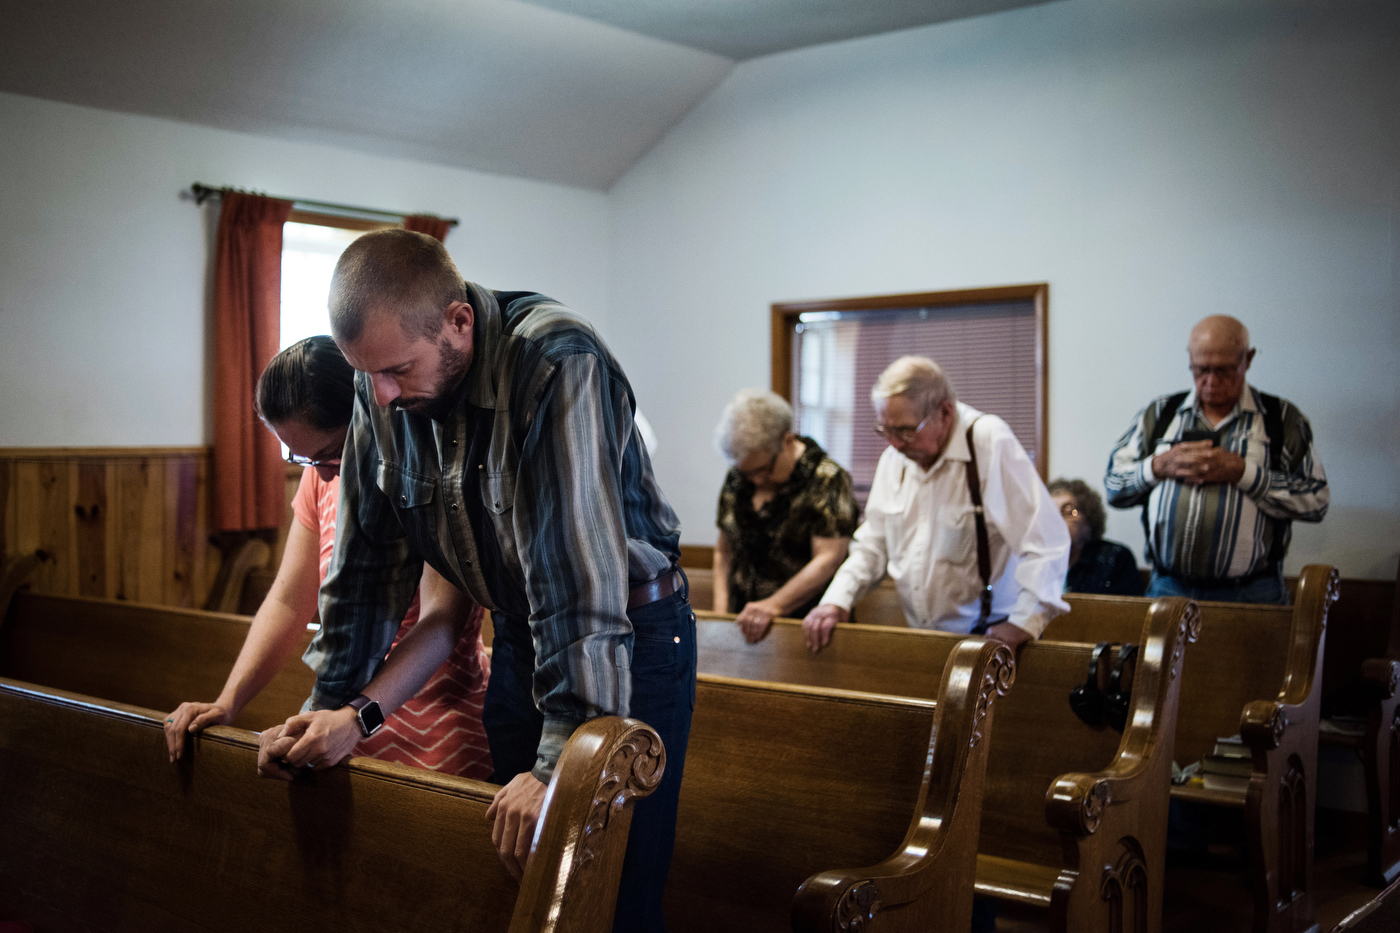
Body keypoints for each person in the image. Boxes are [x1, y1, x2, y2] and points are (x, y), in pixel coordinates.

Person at [261, 230, 693, 932]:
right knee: (516, 876)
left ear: (459, 322)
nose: (382, 393)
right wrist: (332, 708)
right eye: (366, 374)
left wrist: (562, 763)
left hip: (629, 635)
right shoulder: (381, 388)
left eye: (399, 369)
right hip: (524, 629)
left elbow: (575, 578)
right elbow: (366, 568)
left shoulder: (554, 360)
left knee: (608, 887)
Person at [165, 336, 492, 780]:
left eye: (328, 454)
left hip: (439, 722)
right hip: (343, 719)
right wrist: (229, 702)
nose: (318, 472)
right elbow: (288, 602)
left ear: (368, 418)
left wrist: (358, 717)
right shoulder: (320, 478)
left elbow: (439, 623)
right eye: (298, 457)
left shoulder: (428, 472)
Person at [803, 356, 1070, 654]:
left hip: (992, 640)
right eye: (886, 430)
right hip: (925, 642)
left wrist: (1023, 623)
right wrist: (836, 600)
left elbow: (1047, 542)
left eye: (906, 430)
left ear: (945, 412)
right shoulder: (895, 458)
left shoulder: (986, 440)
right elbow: (873, 546)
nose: (895, 444)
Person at [1105, 315, 1328, 603]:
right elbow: (1113, 487)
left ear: (1247, 359)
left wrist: (1243, 473)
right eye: (1200, 370)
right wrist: (1158, 466)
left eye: (1224, 371)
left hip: (1252, 593)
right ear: (1190, 360)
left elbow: (1316, 502)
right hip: (1169, 589)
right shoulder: (1160, 414)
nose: (1211, 382)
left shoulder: (1281, 419)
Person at [712, 388, 859, 643]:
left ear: (786, 441)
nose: (755, 480)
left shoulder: (828, 479)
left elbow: (828, 559)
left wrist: (773, 606)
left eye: (762, 469)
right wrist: (720, 616)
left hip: (808, 630)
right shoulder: (740, 478)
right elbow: (724, 552)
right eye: (747, 472)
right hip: (743, 625)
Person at [1047, 478, 1144, 596]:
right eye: (1050, 513)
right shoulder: (1034, 560)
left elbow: (1131, 610)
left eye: (1069, 511)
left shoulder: (1117, 557)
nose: (1058, 520)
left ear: (1089, 517)